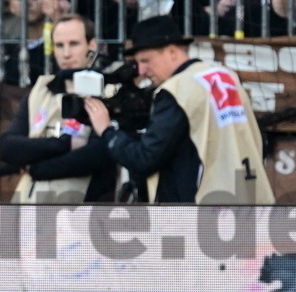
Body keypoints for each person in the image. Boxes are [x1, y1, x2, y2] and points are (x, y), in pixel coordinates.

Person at [84, 15, 274, 204]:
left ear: (172, 52)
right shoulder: (225, 75)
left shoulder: (176, 90)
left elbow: (145, 158)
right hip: (251, 199)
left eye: (146, 60)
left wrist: (107, 131)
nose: (141, 70)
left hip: (206, 214)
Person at [0, 13, 117, 202]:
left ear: (92, 46)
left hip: (83, 210)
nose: (66, 53)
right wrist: (66, 144)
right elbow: (8, 147)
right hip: (30, 207)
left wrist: (36, 167)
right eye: (60, 46)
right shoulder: (41, 89)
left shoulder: (109, 90)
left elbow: (97, 155)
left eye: (74, 44)